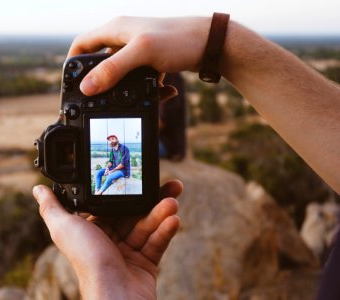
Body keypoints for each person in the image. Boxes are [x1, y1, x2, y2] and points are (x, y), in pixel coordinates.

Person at [33, 15, 340, 299]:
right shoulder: (116, 147)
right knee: (101, 175)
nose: (112, 139)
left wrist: (106, 286)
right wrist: (222, 41)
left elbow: (126, 161)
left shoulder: (124, 148)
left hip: (140, 167)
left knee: (108, 176)